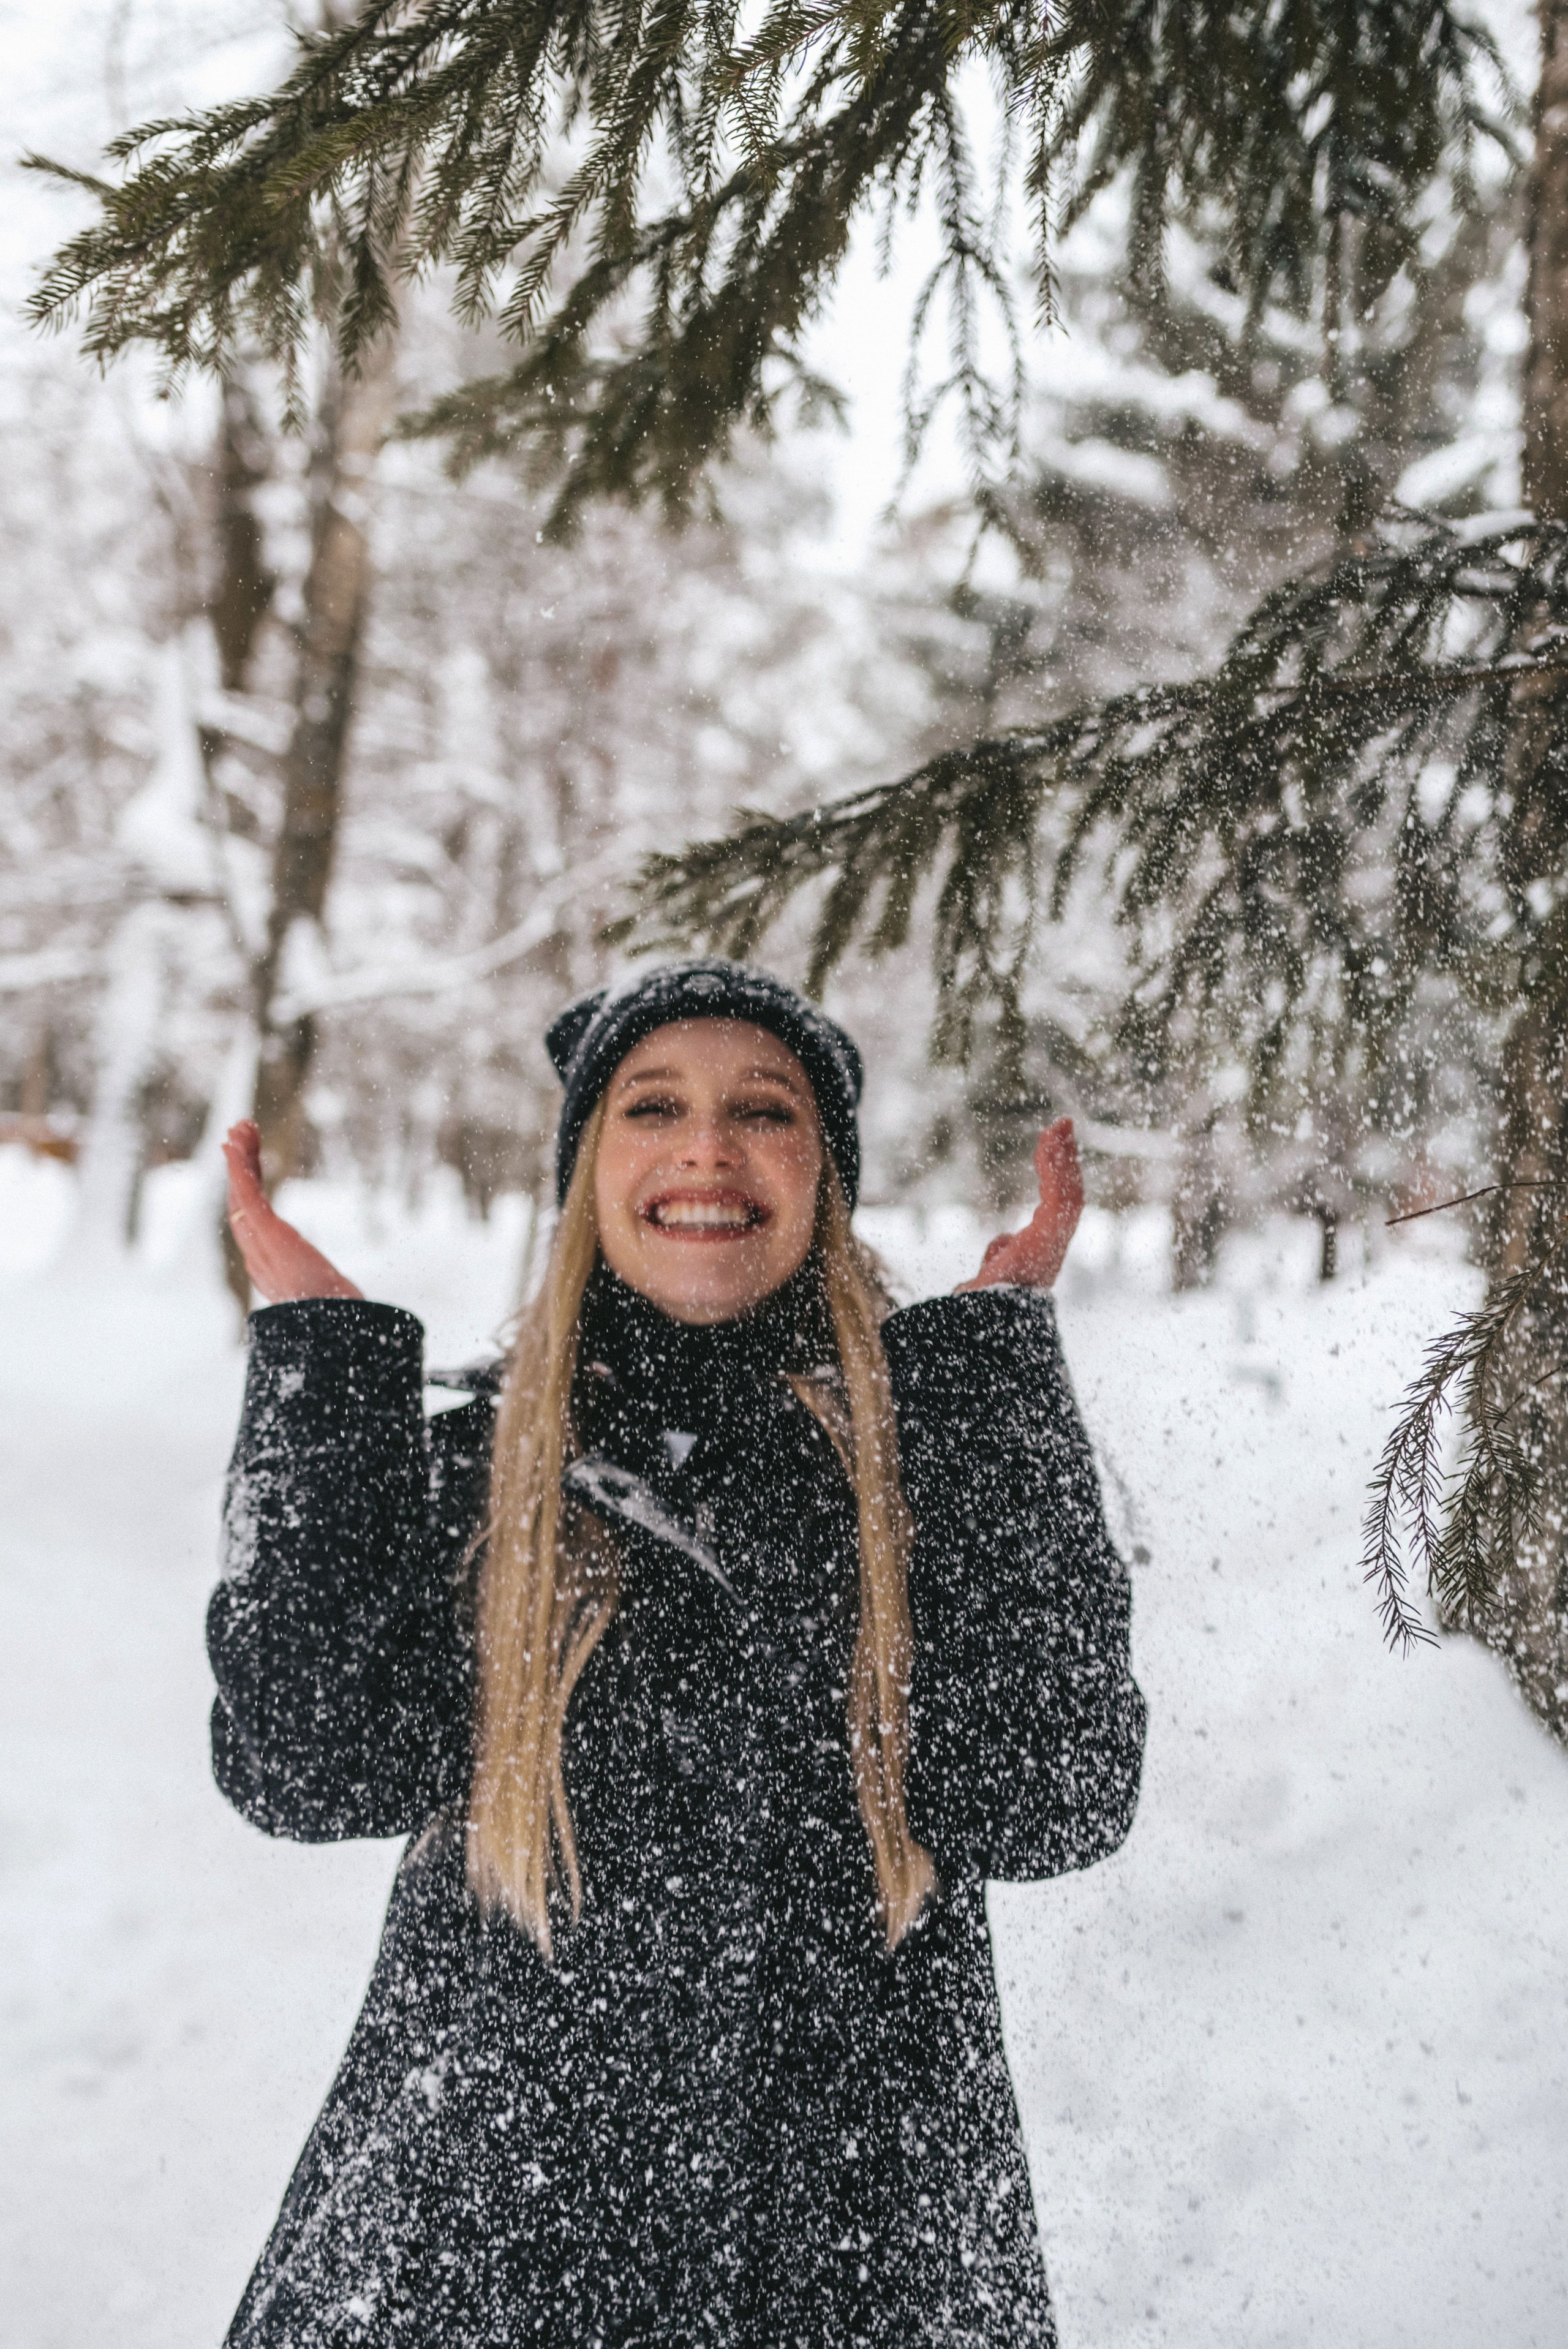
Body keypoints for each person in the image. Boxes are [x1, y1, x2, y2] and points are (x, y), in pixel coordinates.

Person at [211, 958, 1145, 2349]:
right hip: (478, 2260)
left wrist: (996, 1370)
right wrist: (321, 1370)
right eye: (652, 1106)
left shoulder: (925, 1467)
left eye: (763, 1111)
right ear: (590, 1168)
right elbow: (310, 1771)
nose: (706, 1145)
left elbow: (1048, 1795)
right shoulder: (477, 1471)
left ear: (824, 1175)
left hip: (858, 2264)